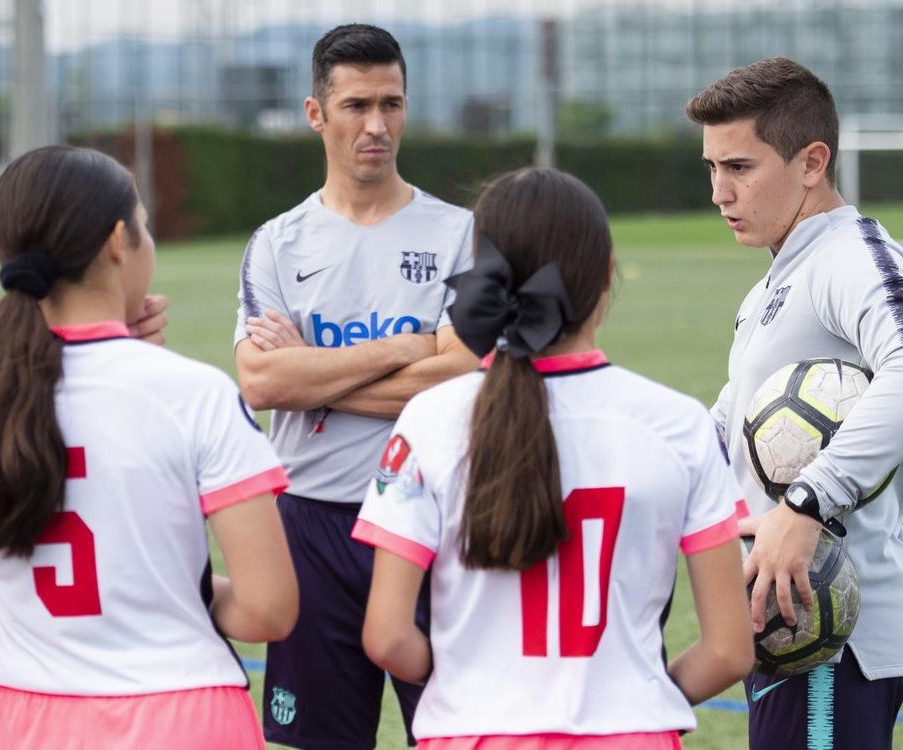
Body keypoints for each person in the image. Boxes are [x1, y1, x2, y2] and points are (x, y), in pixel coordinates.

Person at [356, 167, 754, 749]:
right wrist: (637, 697)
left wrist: (472, 686)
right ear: (607, 274)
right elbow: (727, 650)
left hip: (472, 732)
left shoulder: (428, 417)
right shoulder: (677, 424)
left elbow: (388, 637)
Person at [0, 145, 298, 750]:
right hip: (179, 714)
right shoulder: (193, 393)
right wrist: (168, 589)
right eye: (145, 227)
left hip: (25, 718)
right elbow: (268, 609)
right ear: (115, 242)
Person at [233, 23, 477, 749]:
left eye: (392, 104)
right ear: (317, 114)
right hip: (310, 523)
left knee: (455, 733)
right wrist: (407, 347)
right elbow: (261, 378)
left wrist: (315, 379)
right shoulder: (278, 241)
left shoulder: (459, 233)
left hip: (434, 521)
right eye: (356, 106)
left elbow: (464, 371)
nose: (378, 125)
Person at [687, 57, 903, 749]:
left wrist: (807, 502)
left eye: (740, 168)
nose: (720, 192)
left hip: (834, 641)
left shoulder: (851, 255)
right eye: (711, 168)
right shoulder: (779, 281)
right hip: (787, 629)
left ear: (813, 162)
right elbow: (724, 429)